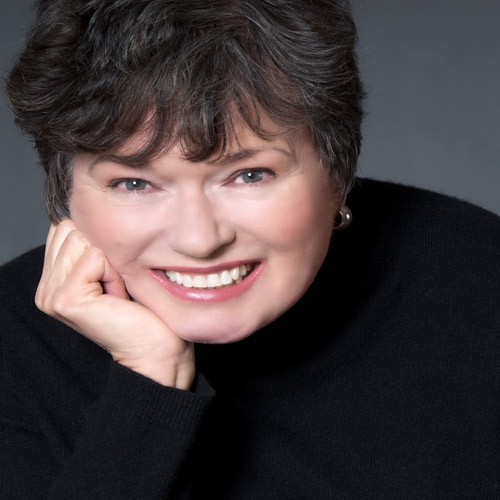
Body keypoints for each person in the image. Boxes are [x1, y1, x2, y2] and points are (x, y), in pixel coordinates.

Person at [1, 0, 499, 498]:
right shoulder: (13, 347)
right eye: (134, 183)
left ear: (338, 173)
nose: (199, 240)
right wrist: (150, 379)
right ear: (65, 190)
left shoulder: (478, 283)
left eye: (249, 175)